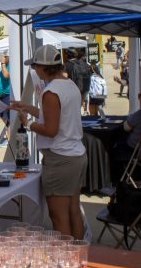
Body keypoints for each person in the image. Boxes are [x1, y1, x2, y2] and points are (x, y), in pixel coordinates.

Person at [12, 45, 87, 239]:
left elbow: (51, 130)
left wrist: (27, 123)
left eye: (35, 66)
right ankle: (78, 256)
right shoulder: (69, 85)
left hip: (60, 158)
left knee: (58, 215)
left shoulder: (50, 91)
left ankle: (66, 259)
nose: (34, 70)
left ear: (43, 68)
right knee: (73, 211)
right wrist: (29, 108)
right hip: (75, 154)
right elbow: (54, 117)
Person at [0, 51, 11, 140]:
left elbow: (6, 75)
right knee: (2, 116)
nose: (2, 58)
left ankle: (9, 138)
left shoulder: (9, 65)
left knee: (7, 119)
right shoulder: (5, 66)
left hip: (7, 95)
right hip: (3, 96)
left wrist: (3, 63)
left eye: (4, 56)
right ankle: (8, 136)